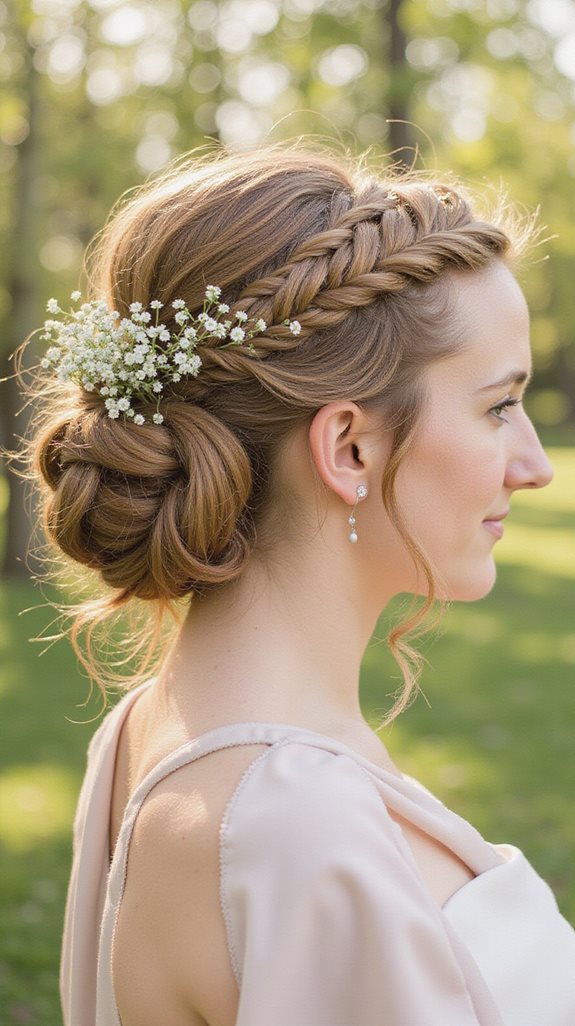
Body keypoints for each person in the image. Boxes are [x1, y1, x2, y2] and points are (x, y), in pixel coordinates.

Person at [17, 145, 575, 1026]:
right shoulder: (299, 827)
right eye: (497, 407)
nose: (533, 466)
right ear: (350, 447)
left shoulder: (148, 728)